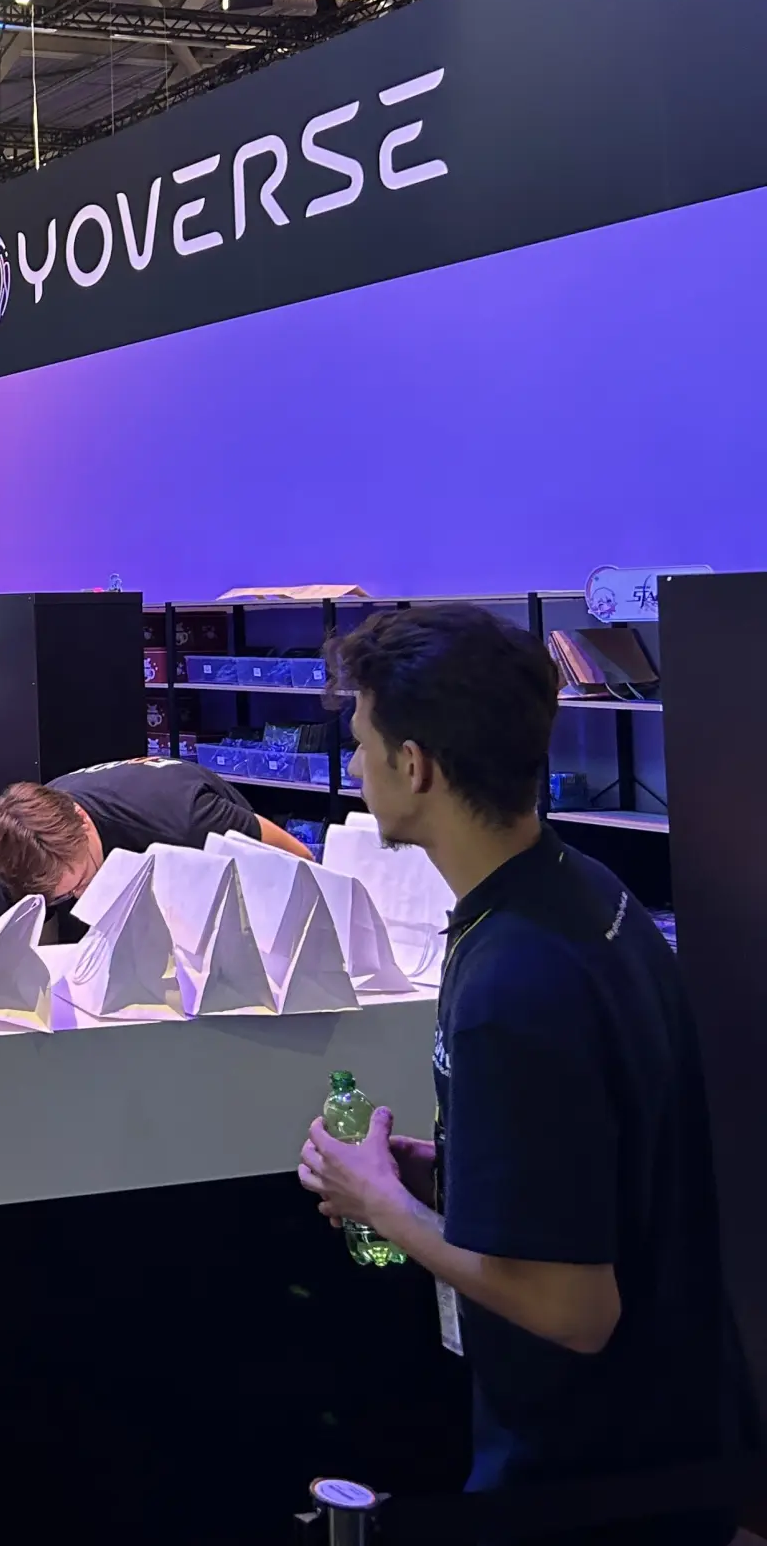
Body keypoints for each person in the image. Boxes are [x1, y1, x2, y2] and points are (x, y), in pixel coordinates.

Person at [295, 607, 755, 1545]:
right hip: (674, 1441)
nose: (355, 767)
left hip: (589, 1484)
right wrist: (459, 1173)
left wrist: (385, 1204)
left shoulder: (513, 983)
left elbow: (573, 1308)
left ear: (415, 766)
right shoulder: (584, 892)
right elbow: (601, 1157)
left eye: (363, 744)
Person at [0, 759, 314, 903]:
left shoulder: (187, 818)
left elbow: (300, 858)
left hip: (228, 888)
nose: (80, 897)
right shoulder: (27, 845)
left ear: (81, 819)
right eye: (65, 896)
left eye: (82, 881)